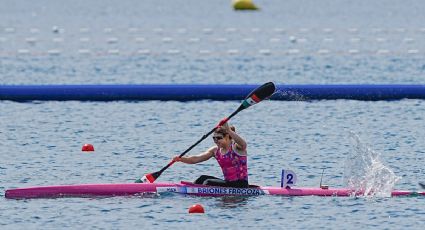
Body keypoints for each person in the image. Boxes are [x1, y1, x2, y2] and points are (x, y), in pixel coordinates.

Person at [172, 122, 249, 188]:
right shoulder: (215, 151)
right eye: (214, 138)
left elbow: (244, 144)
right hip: (228, 183)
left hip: (241, 185)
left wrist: (228, 130)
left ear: (227, 136)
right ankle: (190, 190)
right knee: (201, 178)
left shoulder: (237, 148)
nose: (216, 141)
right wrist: (181, 159)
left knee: (208, 182)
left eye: (218, 138)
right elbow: (195, 159)